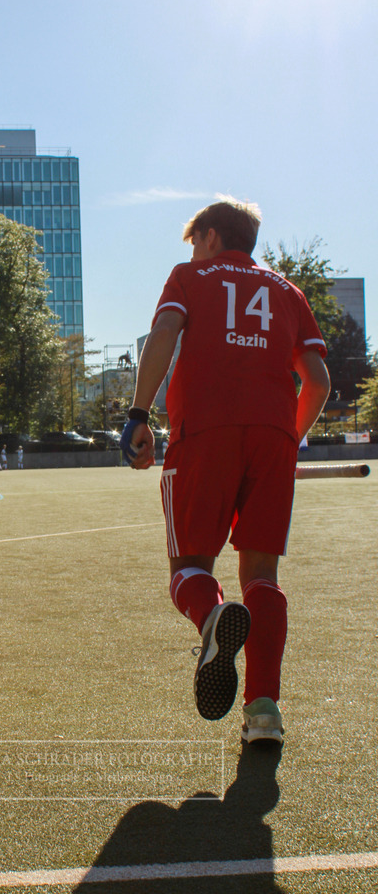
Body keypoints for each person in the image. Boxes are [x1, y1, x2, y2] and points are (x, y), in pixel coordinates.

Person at [121, 198, 330, 744]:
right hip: (273, 439)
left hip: (204, 433)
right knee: (262, 576)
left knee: (189, 568)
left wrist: (138, 415)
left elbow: (165, 334)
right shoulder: (289, 291)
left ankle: (212, 617)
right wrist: (290, 439)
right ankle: (264, 713)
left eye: (195, 240)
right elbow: (319, 381)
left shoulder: (190, 276)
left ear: (211, 236)